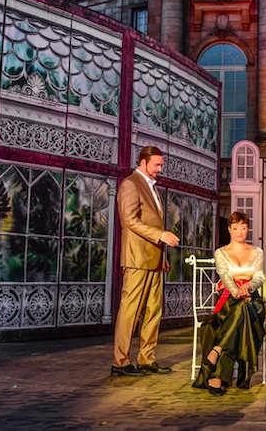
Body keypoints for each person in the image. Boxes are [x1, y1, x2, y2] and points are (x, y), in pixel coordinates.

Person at [111, 146, 180, 377]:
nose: (160, 169)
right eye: (157, 165)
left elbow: (152, 221)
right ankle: (121, 362)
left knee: (153, 311)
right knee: (130, 312)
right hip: (137, 259)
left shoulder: (152, 187)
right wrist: (160, 236)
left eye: (161, 164)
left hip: (154, 258)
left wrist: (162, 255)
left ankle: (146, 358)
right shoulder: (131, 184)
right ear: (143, 162)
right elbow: (129, 220)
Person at [192, 212, 266, 395]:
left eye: (243, 227)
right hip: (229, 298)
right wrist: (237, 291)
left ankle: (217, 353)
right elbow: (225, 277)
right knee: (240, 310)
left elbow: (259, 276)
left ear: (248, 229)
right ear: (229, 230)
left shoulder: (257, 252)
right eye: (235, 228)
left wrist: (248, 287)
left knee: (244, 308)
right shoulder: (221, 252)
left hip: (252, 299)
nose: (240, 232)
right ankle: (221, 374)